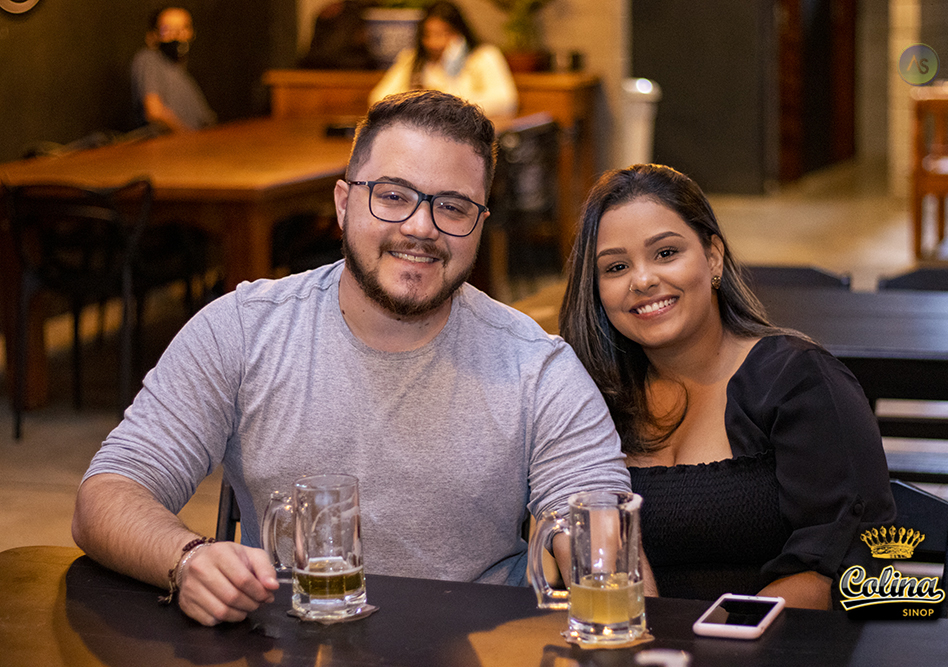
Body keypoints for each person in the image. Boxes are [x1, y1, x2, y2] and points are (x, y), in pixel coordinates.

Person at [72, 90, 631, 627]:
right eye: (393, 196)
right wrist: (187, 558)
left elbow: (606, 552)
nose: (420, 227)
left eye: (453, 207)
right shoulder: (242, 330)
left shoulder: (538, 368)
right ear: (343, 204)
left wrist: (607, 578)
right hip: (290, 644)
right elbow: (108, 494)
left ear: (479, 226)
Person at [558, 164, 895, 610]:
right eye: (616, 267)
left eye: (665, 253)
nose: (642, 280)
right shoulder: (590, 396)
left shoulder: (800, 380)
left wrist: (718, 638)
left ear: (713, 256)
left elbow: (841, 562)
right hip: (628, 638)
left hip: (775, 640)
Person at [369, 1, 518, 119]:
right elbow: (378, 98)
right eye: (428, 35)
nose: (435, 43)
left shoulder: (483, 56)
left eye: (444, 34)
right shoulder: (413, 59)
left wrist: (448, 102)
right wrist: (420, 104)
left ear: (460, 32)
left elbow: (505, 100)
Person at [131, 6, 216, 134]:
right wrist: (187, 135)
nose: (177, 35)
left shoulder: (181, 71)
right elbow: (154, 111)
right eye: (167, 29)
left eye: (183, 28)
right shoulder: (149, 59)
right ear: (152, 35)